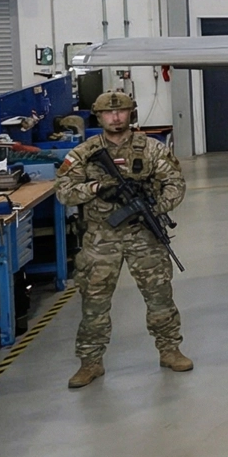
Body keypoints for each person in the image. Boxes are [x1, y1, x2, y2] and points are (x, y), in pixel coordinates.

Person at [55, 90, 189, 388]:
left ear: (131, 114)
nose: (115, 117)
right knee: (94, 301)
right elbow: (64, 192)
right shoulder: (85, 152)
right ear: (99, 117)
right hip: (100, 237)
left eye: (121, 111)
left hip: (143, 234)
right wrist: (95, 189)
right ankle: (90, 362)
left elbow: (175, 184)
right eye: (108, 113)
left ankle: (169, 350)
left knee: (159, 295)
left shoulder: (151, 149)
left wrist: (152, 208)